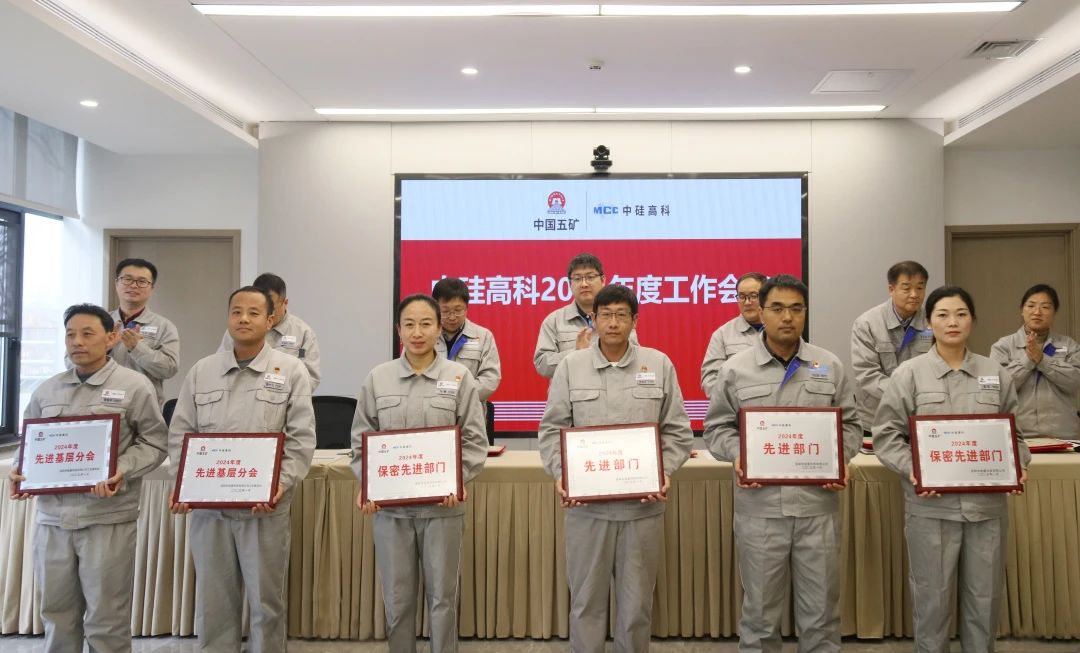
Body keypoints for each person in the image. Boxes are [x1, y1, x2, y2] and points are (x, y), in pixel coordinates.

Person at [703, 274, 860, 653]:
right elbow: (717, 427)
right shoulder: (736, 369)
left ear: (805, 313)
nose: (787, 317)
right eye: (777, 308)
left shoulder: (829, 365)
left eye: (796, 308)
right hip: (760, 509)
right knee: (759, 616)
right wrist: (739, 454)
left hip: (817, 507)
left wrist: (839, 458)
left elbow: (852, 425)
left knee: (821, 614)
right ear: (761, 312)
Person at [873, 285, 1030, 653]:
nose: (952, 322)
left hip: (986, 508)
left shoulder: (995, 372)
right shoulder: (909, 374)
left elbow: (1016, 436)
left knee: (985, 599)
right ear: (929, 323)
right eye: (942, 315)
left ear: (973, 319)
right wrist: (914, 469)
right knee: (932, 599)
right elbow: (886, 436)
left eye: (961, 314)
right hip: (931, 508)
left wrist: (1018, 464)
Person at [538, 284, 693, 653]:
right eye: (605, 315)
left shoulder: (658, 364)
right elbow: (552, 428)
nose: (612, 323)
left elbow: (678, 430)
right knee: (586, 604)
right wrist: (562, 474)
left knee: (636, 607)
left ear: (634, 320)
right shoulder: (571, 366)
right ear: (593, 319)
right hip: (587, 511)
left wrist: (664, 471)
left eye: (621, 315)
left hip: (641, 509)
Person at [9, 303, 168, 653]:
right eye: (70, 335)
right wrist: (21, 472)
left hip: (107, 518)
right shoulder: (47, 390)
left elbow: (155, 442)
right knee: (56, 613)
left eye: (87, 334)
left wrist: (121, 468)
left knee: (106, 617)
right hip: (53, 520)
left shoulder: (134, 386)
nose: (77, 342)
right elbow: (30, 443)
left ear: (111, 338)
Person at [169, 286, 316, 653]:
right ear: (228, 318)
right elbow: (181, 433)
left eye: (253, 313)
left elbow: (301, 438)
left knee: (267, 601)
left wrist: (280, 484)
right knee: (214, 602)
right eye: (236, 312)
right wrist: (183, 484)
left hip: (264, 509)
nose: (244, 319)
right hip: (211, 511)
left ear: (270, 320)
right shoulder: (202, 371)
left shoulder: (291, 370)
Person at [351, 294, 488, 653]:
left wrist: (458, 480)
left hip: (443, 509)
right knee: (397, 600)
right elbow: (361, 441)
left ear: (439, 329)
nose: (417, 332)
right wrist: (368, 484)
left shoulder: (459, 377)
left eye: (426, 324)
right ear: (398, 330)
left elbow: (475, 441)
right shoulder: (378, 379)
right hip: (391, 513)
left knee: (443, 599)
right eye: (409, 324)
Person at [851, 261, 933, 436]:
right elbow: (867, 375)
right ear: (891, 289)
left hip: (920, 418)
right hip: (875, 418)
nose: (914, 294)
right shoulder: (867, 323)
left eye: (920, 288)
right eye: (906, 288)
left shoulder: (933, 321)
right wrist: (904, 394)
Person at [990, 283, 1080, 439]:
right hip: (1018, 436)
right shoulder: (1003, 346)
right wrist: (1029, 360)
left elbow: (1075, 381)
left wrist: (1043, 360)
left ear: (1054, 312)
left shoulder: (1069, 345)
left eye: (1045, 307)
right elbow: (999, 387)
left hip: (1063, 435)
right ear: (1022, 310)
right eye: (1031, 306)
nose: (1037, 312)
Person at [533, 252, 636, 379]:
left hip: (612, 388)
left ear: (603, 280)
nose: (584, 284)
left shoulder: (618, 317)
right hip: (570, 390)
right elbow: (542, 364)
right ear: (570, 284)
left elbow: (633, 355)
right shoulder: (554, 320)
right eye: (577, 279)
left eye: (590, 277)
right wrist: (576, 353)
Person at [219, 273, 321, 391]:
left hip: (284, 398)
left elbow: (310, 379)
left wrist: (276, 391)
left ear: (285, 303)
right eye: (260, 308)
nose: (267, 314)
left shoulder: (303, 332)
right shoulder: (241, 330)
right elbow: (221, 366)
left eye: (271, 308)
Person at [108, 258, 180, 407]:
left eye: (142, 281)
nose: (134, 285)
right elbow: (72, 364)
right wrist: (103, 349)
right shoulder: (100, 323)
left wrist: (137, 348)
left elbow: (170, 369)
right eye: (127, 279)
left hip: (144, 406)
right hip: (104, 404)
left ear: (151, 288)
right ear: (116, 283)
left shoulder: (164, 326)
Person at [431, 277, 501, 402]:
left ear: (467, 307)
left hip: (469, 408)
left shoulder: (483, 336)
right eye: (445, 311)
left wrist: (460, 396)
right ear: (435, 309)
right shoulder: (425, 336)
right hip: (433, 408)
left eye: (458, 310)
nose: (452, 317)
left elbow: (490, 378)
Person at [700, 271, 766, 396]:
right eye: (742, 296)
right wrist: (738, 398)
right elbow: (710, 380)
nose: (747, 302)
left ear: (766, 297)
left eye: (753, 296)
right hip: (737, 406)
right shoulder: (723, 334)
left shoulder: (780, 330)